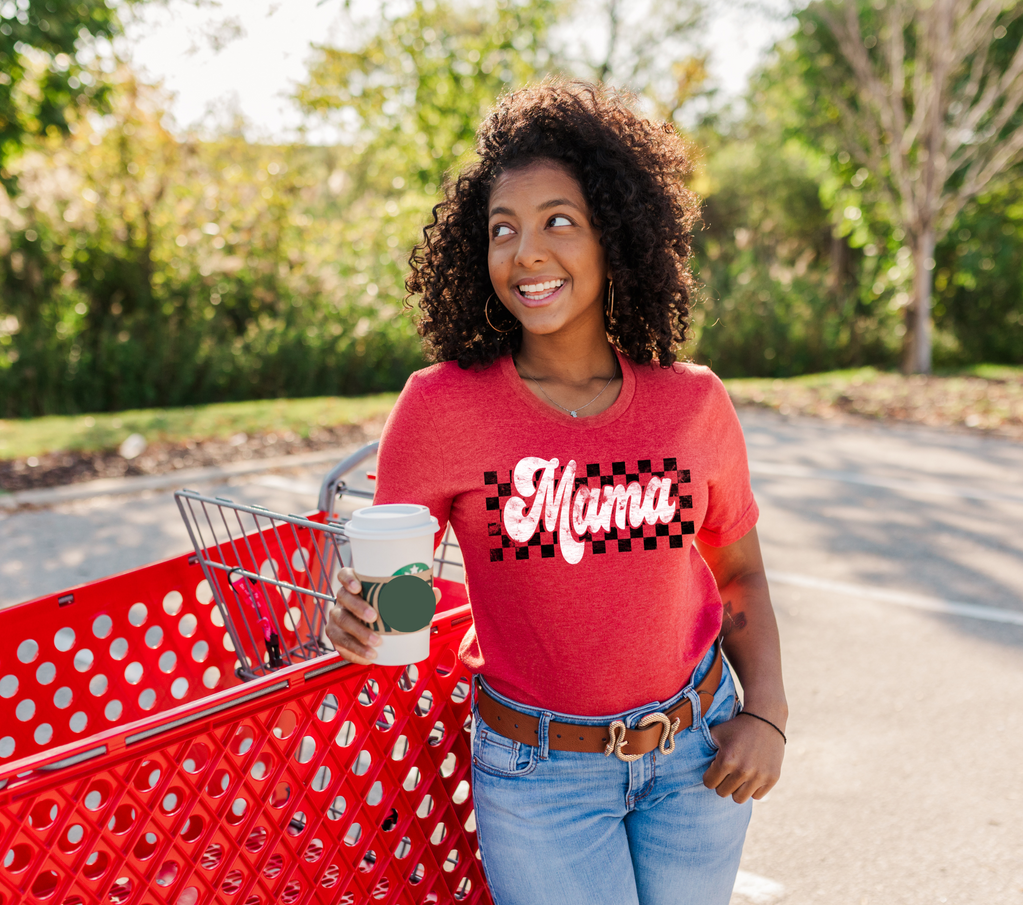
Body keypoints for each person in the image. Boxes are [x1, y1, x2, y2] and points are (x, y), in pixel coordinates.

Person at [327, 80, 787, 905]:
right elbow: (390, 588)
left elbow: (740, 576)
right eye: (503, 230)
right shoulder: (439, 407)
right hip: (539, 777)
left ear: (617, 235)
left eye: (558, 222)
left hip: (697, 753)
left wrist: (768, 714)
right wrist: (349, 618)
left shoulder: (694, 402)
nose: (525, 251)